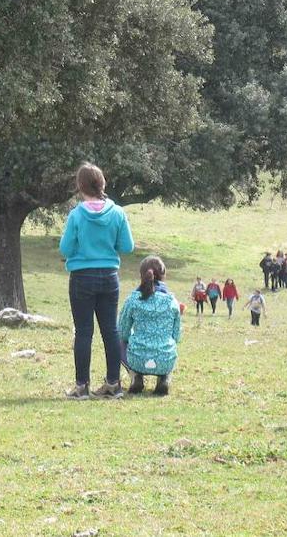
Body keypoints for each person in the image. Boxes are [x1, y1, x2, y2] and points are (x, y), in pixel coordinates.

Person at [59, 163, 135, 399]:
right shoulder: (117, 213)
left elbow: (65, 248)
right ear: (102, 184)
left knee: (83, 332)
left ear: (80, 186)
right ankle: (113, 384)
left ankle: (82, 386)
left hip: (82, 276)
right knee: (110, 331)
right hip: (109, 276)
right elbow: (127, 247)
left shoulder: (77, 215)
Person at [117, 256, 181, 396]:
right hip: (165, 359)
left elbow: (123, 332)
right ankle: (164, 378)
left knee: (117, 340)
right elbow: (176, 335)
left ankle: (135, 376)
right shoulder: (172, 301)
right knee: (171, 344)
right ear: (164, 275)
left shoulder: (133, 300)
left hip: (137, 358)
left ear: (141, 275)